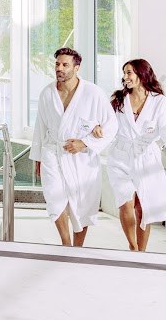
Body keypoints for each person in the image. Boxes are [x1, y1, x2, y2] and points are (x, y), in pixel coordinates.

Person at [30, 47, 115, 247]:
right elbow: (39, 127)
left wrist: (85, 142)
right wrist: (38, 159)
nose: (59, 68)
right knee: (54, 197)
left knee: (82, 203)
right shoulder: (47, 93)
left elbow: (112, 124)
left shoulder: (93, 93)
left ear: (77, 68)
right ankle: (66, 243)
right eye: (57, 64)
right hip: (53, 152)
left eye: (65, 65)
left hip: (82, 156)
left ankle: (78, 247)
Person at [107, 58, 166, 252]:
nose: (125, 77)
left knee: (144, 206)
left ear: (142, 74)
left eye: (129, 72)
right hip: (120, 156)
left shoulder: (158, 101)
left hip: (146, 156)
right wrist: (98, 130)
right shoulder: (119, 100)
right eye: (124, 73)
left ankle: (142, 251)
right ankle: (132, 246)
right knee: (125, 201)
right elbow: (106, 122)